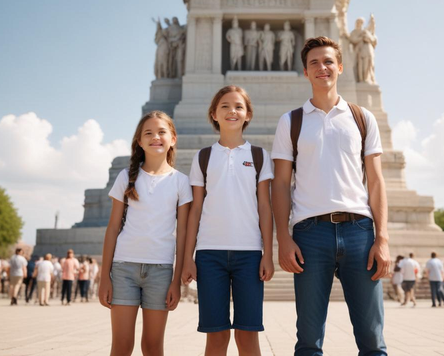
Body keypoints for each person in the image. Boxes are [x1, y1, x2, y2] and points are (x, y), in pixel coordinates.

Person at [271, 36, 389, 355]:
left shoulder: (362, 118)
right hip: (310, 235)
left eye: (327, 62)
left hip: (360, 233)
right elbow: (280, 185)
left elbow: (376, 182)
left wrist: (383, 239)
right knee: (308, 341)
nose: (321, 67)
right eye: (313, 63)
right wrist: (283, 237)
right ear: (305, 73)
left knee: (373, 340)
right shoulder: (290, 122)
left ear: (340, 66)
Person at [182, 85, 274, 356]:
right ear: (214, 114)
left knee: (248, 337)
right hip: (209, 255)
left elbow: (265, 208)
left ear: (248, 115)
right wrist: (188, 257)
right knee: (217, 337)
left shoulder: (259, 156)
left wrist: (268, 254)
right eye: (224, 106)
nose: (231, 111)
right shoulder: (203, 157)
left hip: (250, 255)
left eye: (238, 106)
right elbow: (195, 211)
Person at [99, 111, 191, 356]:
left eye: (162, 132)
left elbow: (182, 234)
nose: (155, 137)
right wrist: (104, 277)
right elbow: (112, 229)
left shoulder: (181, 182)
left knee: (152, 347)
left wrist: (176, 280)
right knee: (121, 346)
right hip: (123, 270)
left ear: (173, 138)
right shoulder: (126, 177)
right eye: (148, 133)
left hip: (160, 272)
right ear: (139, 141)